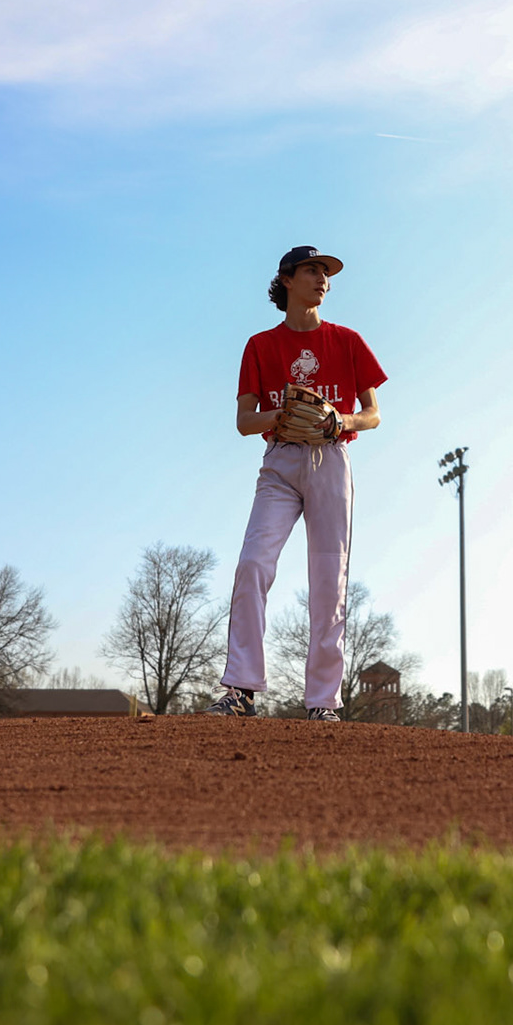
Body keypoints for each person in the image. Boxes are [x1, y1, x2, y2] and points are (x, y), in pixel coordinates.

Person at [209, 246, 386, 723]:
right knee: (252, 564)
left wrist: (340, 417)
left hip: (331, 459)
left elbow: (373, 414)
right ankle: (242, 689)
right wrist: (283, 414)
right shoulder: (261, 345)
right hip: (281, 460)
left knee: (330, 580)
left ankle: (323, 702)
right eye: (312, 270)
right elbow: (246, 421)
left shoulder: (347, 340)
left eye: (326, 272)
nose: (323, 278)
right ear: (286, 279)